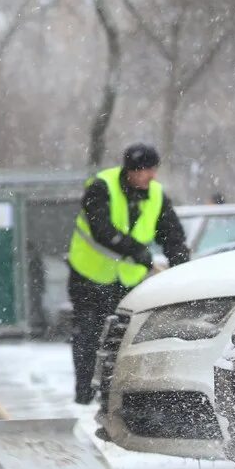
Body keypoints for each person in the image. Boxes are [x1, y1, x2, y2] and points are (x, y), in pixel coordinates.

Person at [68, 143, 189, 405]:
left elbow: (172, 235)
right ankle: (84, 394)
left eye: (154, 169)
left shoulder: (156, 195)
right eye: (146, 170)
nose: (152, 176)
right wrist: (136, 250)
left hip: (127, 281)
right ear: (131, 170)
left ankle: (113, 394)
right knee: (88, 335)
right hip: (88, 275)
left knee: (122, 339)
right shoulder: (101, 187)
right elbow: (102, 230)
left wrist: (181, 266)